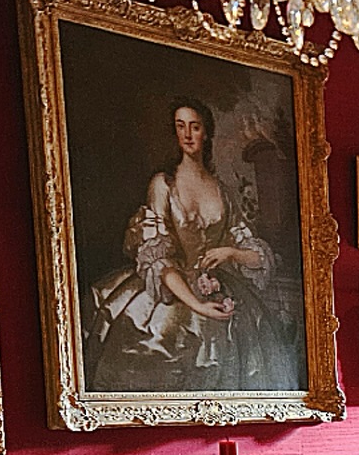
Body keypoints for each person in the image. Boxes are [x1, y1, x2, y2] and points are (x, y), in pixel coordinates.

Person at [84, 99, 300, 392]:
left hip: (222, 290)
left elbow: (254, 254)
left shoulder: (221, 190)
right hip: (171, 293)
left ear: (206, 133)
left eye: (195, 127)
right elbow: (158, 261)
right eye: (180, 126)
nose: (187, 135)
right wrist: (197, 304)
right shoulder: (164, 184)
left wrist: (232, 252)